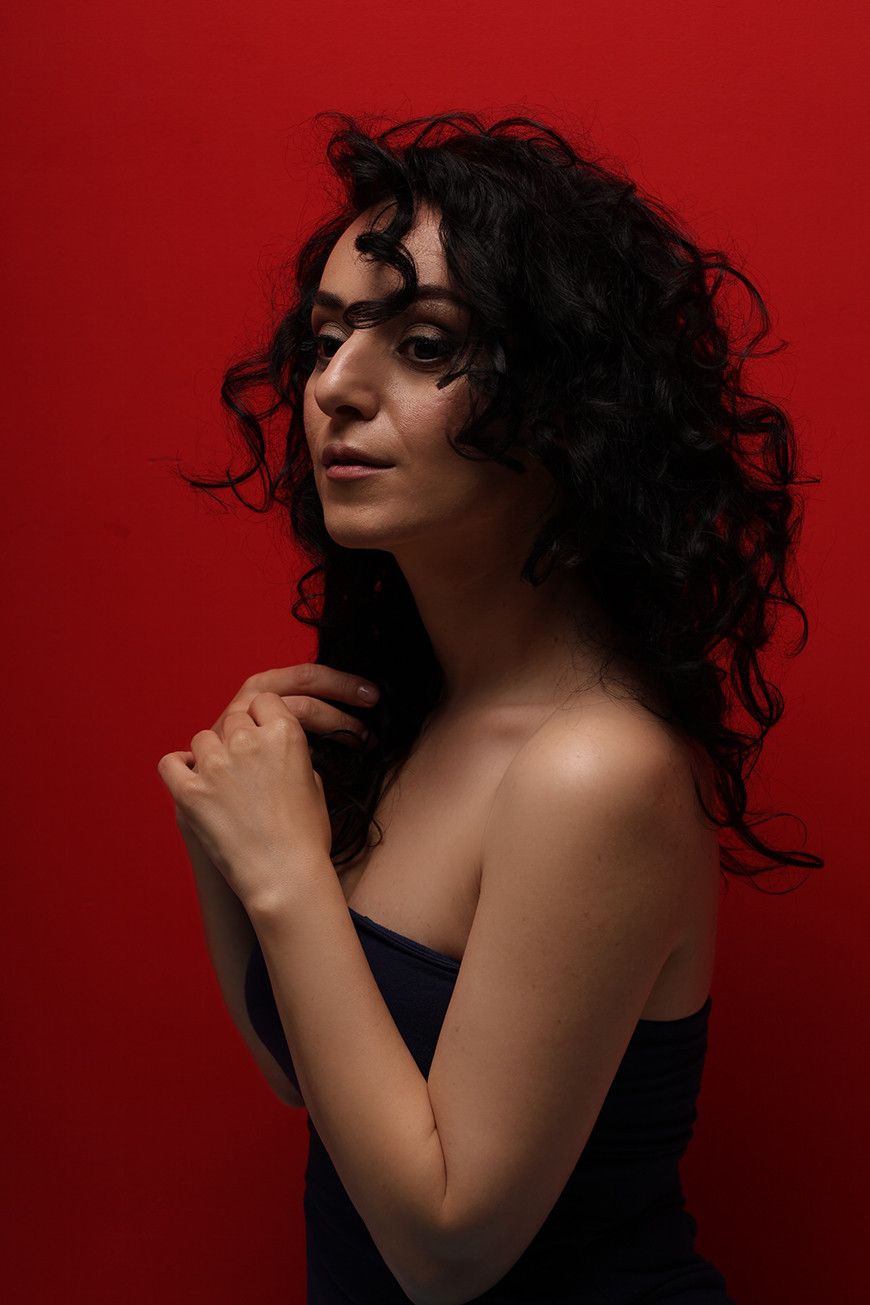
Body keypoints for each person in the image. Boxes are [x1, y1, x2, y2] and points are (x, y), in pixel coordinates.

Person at [168, 111, 823, 1303]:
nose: (336, 388)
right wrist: (226, 830)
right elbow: (306, 1077)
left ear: (568, 403)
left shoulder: (595, 769)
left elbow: (445, 1250)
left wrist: (282, 871)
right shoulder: (408, 721)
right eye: (326, 339)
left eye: (423, 345)